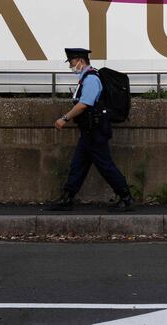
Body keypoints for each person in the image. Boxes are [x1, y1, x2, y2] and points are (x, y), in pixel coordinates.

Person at [44, 48, 133, 212]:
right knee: (78, 164)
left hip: (96, 132)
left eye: (71, 62)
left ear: (80, 61)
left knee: (105, 165)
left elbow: (85, 103)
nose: (71, 66)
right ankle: (68, 197)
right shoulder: (86, 77)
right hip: (89, 131)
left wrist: (64, 118)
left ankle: (126, 197)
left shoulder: (91, 78)